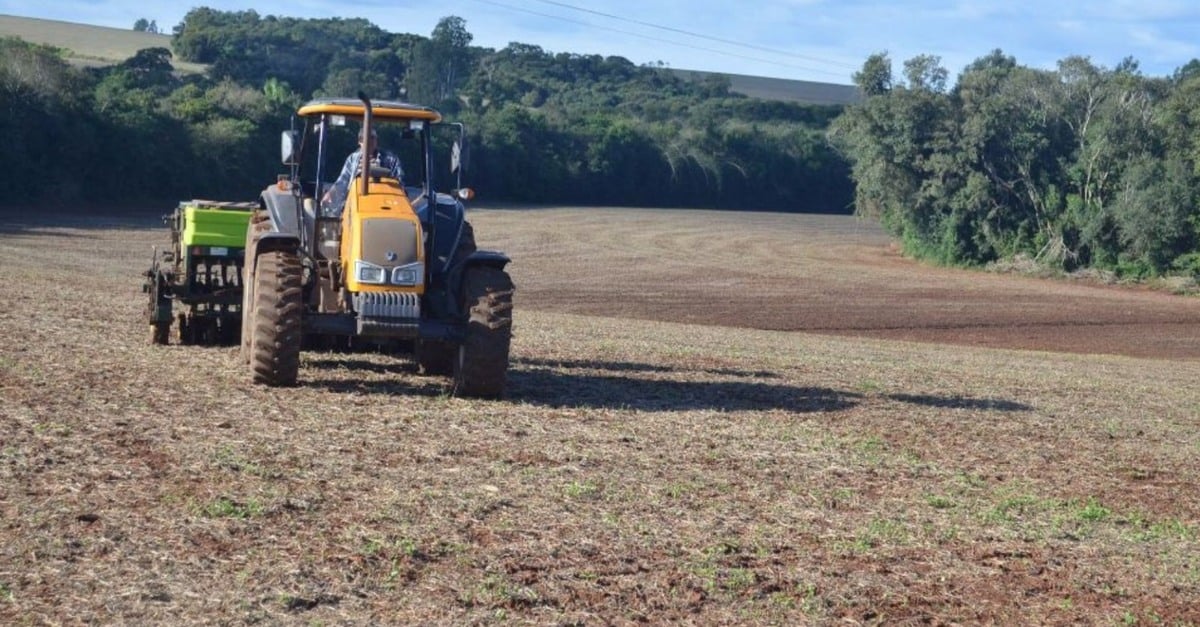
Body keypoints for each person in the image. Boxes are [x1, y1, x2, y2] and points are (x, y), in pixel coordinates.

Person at [321, 126, 403, 217]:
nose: (369, 141)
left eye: (372, 138)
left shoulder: (391, 159)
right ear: (359, 142)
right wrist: (331, 194)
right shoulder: (352, 159)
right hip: (355, 204)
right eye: (364, 138)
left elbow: (399, 183)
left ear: (376, 140)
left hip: (384, 205)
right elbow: (343, 181)